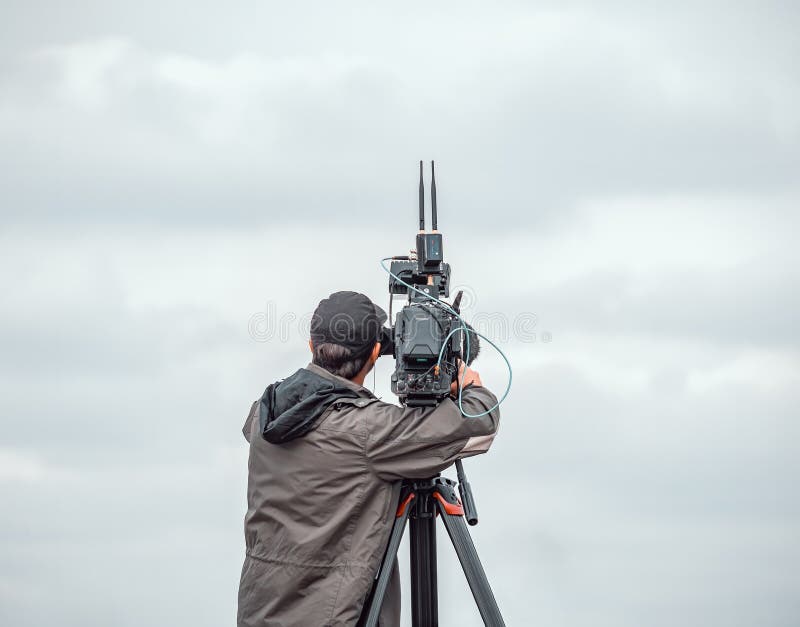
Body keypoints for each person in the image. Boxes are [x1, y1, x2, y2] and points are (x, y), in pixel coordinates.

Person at [237, 291, 501, 627]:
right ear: (377, 352)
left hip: (260, 613)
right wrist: (468, 386)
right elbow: (479, 419)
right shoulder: (368, 432)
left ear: (310, 345)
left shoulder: (263, 412)